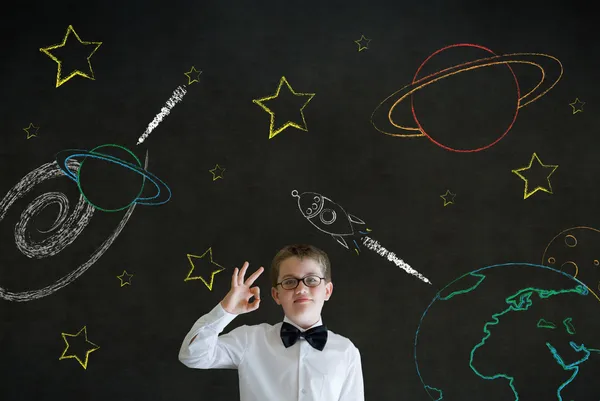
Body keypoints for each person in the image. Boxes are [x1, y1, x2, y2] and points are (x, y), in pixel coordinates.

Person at [178, 243, 365, 401]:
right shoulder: (249, 340)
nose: (301, 289)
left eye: (311, 280)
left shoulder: (346, 351)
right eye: (290, 282)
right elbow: (192, 355)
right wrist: (226, 311)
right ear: (276, 295)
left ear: (327, 290)